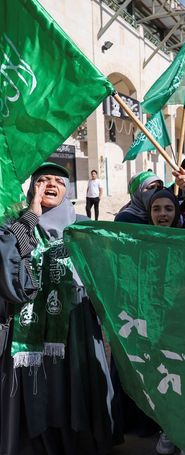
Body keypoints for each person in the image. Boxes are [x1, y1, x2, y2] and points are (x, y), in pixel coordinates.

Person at [0, 163, 118, 454]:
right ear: (32, 188)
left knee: (71, 390)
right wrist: (29, 218)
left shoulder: (82, 226)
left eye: (58, 181)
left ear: (67, 190)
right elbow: (5, 261)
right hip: (25, 329)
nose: (50, 185)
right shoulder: (15, 223)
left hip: (73, 328)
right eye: (42, 180)